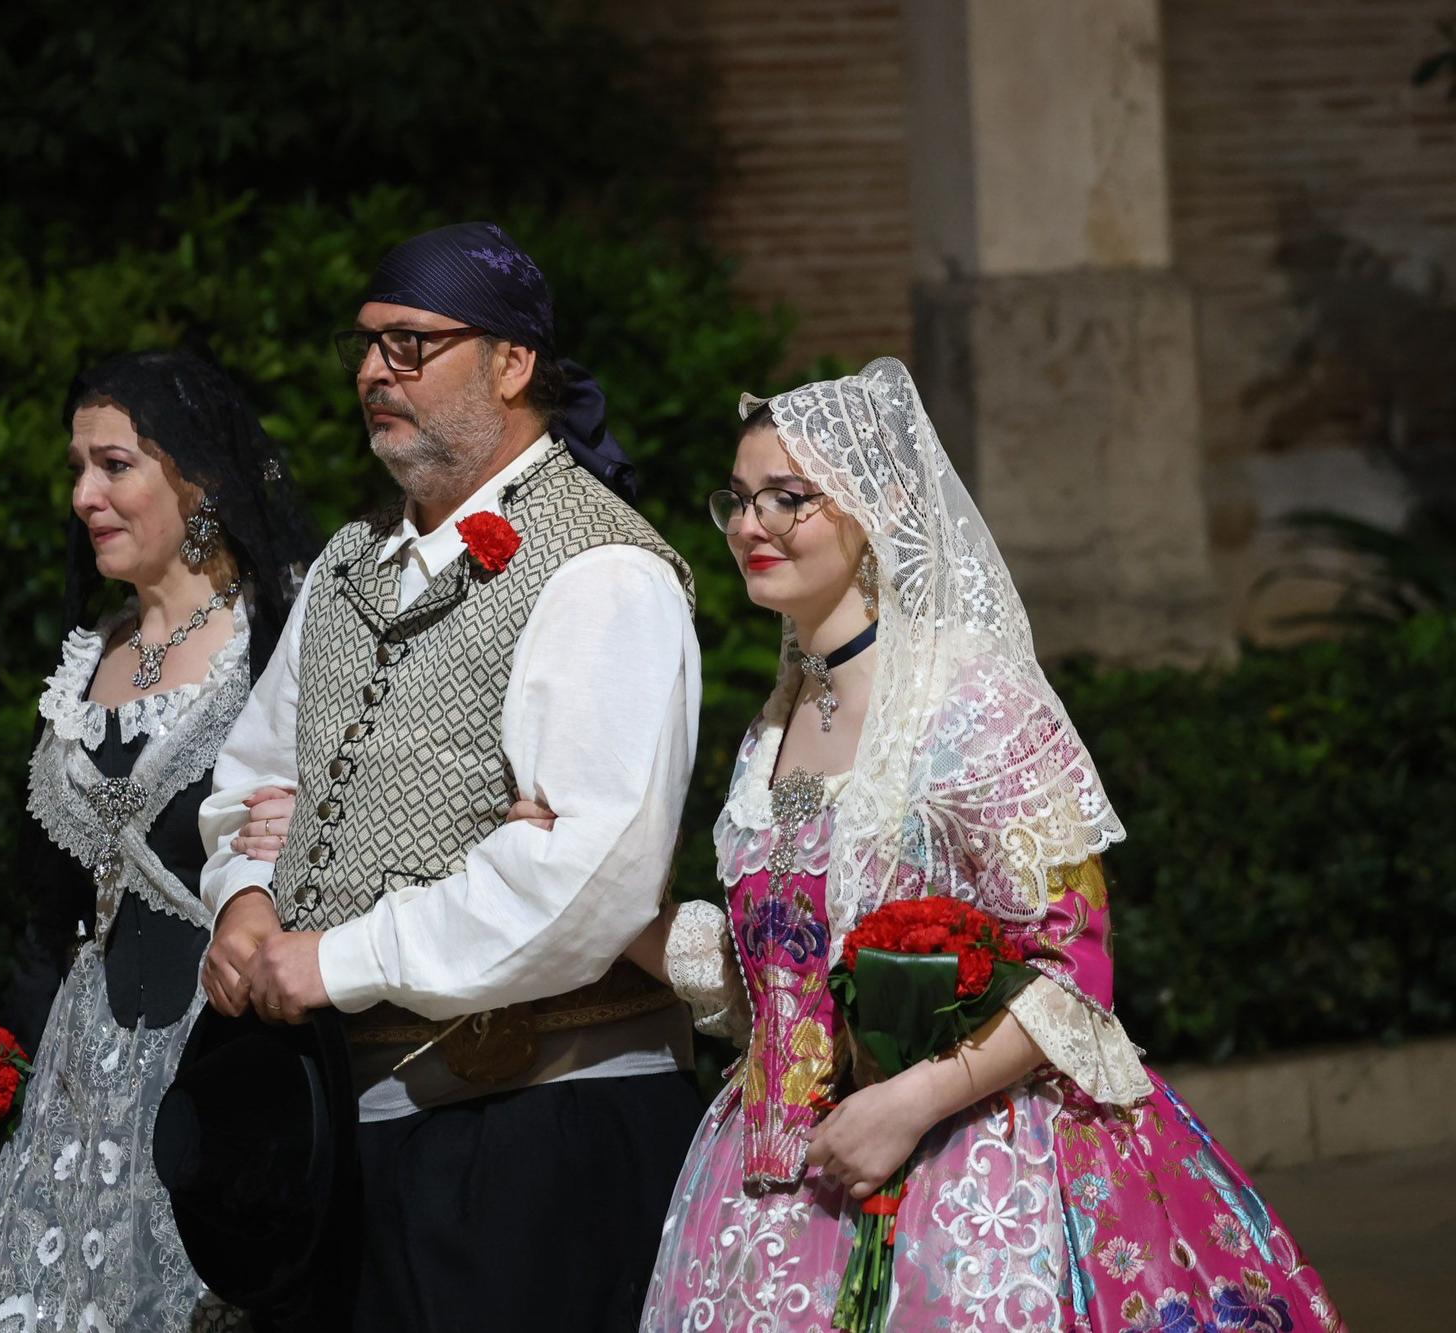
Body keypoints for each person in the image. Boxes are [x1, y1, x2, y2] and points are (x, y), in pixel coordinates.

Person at [631, 358, 1345, 1331]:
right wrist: (597, 905)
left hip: (974, 1174)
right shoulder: (771, 725)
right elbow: (775, 973)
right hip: (768, 1198)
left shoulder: (975, 702)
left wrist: (906, 1103)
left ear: (874, 504)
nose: (749, 526)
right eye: (739, 499)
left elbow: (1073, 967)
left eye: (786, 498)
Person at [195, 222, 705, 1332]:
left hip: (530, 1132)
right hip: (346, 1127)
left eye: (413, 344)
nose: (374, 370)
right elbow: (253, 781)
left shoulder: (602, 569)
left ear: (513, 364)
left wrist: (338, 955)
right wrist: (240, 898)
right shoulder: (347, 561)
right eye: (367, 344)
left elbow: (588, 869)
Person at [0, 350, 313, 1333]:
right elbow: (51, 911)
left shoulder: (274, 644)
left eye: (114, 465)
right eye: (77, 469)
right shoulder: (90, 658)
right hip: (79, 1079)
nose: (84, 495)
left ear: (195, 477)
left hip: (220, 1064)